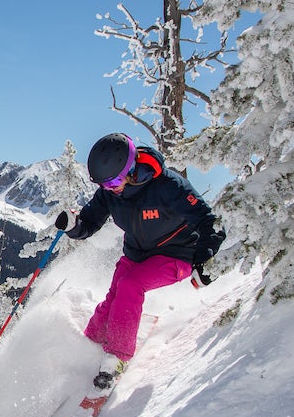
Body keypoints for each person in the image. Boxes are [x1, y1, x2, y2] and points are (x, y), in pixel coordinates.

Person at [56, 133, 225, 389]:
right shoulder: (110, 193)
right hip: (137, 253)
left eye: (113, 181)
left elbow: (209, 221)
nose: (109, 188)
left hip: (178, 254)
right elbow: (89, 222)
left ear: (131, 168)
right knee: (116, 292)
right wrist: (73, 225)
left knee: (131, 285)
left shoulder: (168, 186)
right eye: (102, 184)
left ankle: (117, 358)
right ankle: (91, 342)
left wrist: (205, 261)